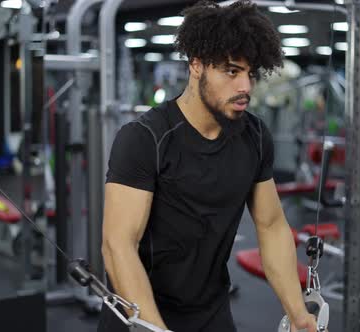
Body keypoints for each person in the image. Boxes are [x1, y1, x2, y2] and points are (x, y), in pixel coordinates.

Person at [98, 1, 318, 331]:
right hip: (140, 312)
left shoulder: (255, 137)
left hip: (210, 310)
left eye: (250, 73)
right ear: (196, 65)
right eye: (231, 71)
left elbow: (271, 227)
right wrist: (154, 329)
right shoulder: (145, 138)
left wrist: (299, 315)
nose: (245, 87)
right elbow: (118, 245)